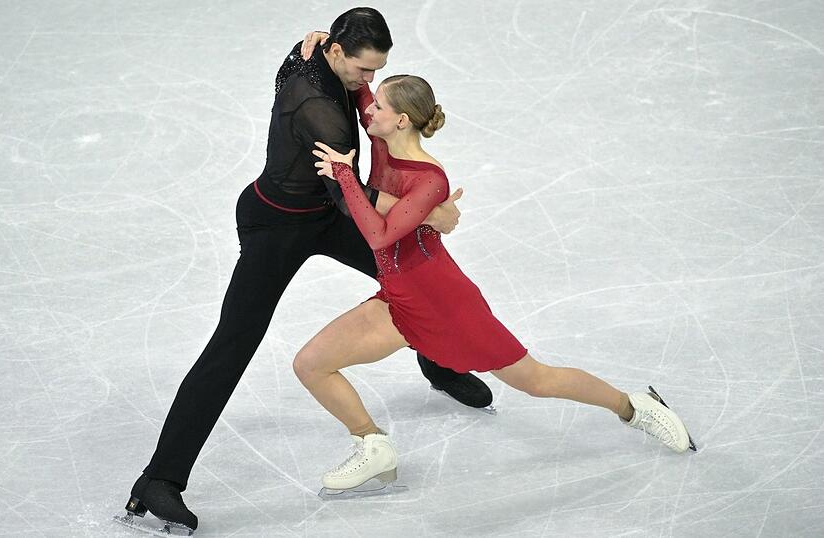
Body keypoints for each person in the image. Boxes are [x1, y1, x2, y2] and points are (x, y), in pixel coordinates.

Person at [118, 8, 494, 535]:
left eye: (378, 72)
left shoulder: (318, 53)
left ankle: (439, 364)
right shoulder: (322, 110)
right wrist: (428, 211)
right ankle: (159, 480)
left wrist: (308, 43)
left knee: (414, 279)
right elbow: (347, 195)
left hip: (324, 214)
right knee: (234, 342)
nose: (371, 85)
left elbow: (288, 74)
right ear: (338, 53)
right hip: (278, 225)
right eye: (364, 72)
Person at [295, 74, 697, 494]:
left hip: (443, 301)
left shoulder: (431, 179)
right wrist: (327, 48)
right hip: (398, 297)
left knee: (536, 380)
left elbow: (379, 236)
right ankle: (372, 445)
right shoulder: (382, 142)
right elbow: (359, 90)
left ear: (401, 120)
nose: (369, 111)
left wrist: (344, 175)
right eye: (373, 104)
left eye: (379, 106)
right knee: (311, 363)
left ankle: (634, 408)